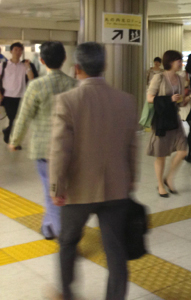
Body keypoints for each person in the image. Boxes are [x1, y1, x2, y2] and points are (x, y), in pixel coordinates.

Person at [49, 42, 138, 300]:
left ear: (77, 68)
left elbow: (60, 150)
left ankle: (67, 293)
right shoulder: (126, 100)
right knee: (116, 251)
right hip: (116, 188)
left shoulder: (67, 101)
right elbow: (132, 146)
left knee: (68, 242)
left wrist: (57, 188)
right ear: (104, 66)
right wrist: (130, 180)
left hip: (78, 190)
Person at [8, 42, 77, 240]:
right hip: (69, 148)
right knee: (61, 191)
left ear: (42, 60)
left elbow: (23, 117)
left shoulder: (36, 86)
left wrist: (14, 140)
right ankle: (48, 226)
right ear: (64, 59)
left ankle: (63, 236)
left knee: (51, 192)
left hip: (44, 149)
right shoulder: (74, 85)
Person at [147, 50, 191, 197]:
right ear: (170, 62)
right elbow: (149, 98)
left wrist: (190, 96)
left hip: (175, 118)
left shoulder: (180, 78)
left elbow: (180, 102)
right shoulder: (159, 77)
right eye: (178, 60)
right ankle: (160, 184)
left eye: (181, 60)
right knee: (161, 154)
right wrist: (169, 99)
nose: (181, 63)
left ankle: (169, 177)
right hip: (162, 119)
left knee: (183, 151)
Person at [0, 42, 36, 143]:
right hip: (8, 96)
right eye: (16, 50)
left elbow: (31, 78)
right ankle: (12, 140)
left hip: (21, 96)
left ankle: (8, 132)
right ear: (11, 51)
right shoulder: (4, 65)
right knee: (14, 119)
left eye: (20, 50)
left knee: (18, 120)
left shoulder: (24, 66)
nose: (18, 52)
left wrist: (28, 66)